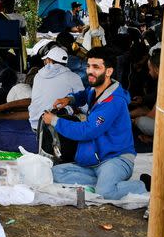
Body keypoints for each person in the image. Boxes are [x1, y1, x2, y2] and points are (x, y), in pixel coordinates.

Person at [41, 47, 148, 200]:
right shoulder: (97, 88)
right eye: (89, 66)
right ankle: (103, 181)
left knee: (105, 193)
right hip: (94, 160)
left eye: (96, 67)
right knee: (56, 173)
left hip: (115, 159)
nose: (90, 71)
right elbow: (84, 94)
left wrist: (54, 121)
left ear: (109, 71)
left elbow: (87, 131)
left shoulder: (113, 101)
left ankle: (142, 185)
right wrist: (70, 99)